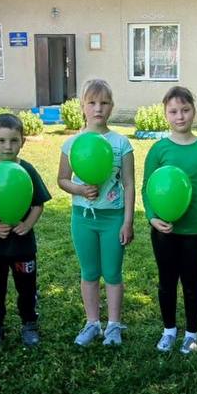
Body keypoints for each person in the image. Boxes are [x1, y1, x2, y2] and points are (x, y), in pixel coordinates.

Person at [143, 86, 197, 354]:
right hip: (164, 230)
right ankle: (168, 330)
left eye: (185, 110)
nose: (180, 116)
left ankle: (191, 334)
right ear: (166, 114)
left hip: (194, 232)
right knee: (166, 282)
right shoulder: (158, 150)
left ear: (193, 111)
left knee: (191, 283)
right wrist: (152, 218)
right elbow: (146, 188)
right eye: (173, 111)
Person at [57, 79, 136, 347]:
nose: (98, 108)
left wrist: (127, 222)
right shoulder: (72, 143)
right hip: (83, 219)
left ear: (112, 106)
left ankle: (113, 325)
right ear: (83, 106)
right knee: (89, 272)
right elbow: (62, 179)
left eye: (104, 102)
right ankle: (92, 322)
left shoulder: (121, 143)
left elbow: (129, 184)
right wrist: (79, 190)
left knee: (112, 273)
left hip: (113, 219)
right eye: (92, 103)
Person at [0, 114, 52, 350]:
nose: (8, 146)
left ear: (23, 142)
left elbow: (38, 204)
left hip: (23, 246)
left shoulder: (27, 169)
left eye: (14, 140)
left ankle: (29, 323)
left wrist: (28, 224)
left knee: (27, 287)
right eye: (2, 140)